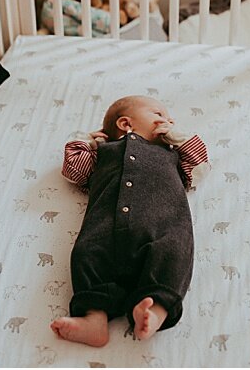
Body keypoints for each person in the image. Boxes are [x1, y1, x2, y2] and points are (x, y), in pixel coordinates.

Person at [51, 96, 209, 346]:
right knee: (86, 253)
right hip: (104, 227)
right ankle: (94, 318)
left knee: (173, 252)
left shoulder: (172, 154)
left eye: (170, 120)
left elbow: (199, 167)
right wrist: (92, 141)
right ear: (126, 124)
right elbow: (74, 170)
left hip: (162, 225)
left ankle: (154, 309)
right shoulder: (102, 153)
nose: (167, 121)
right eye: (159, 114)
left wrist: (178, 137)